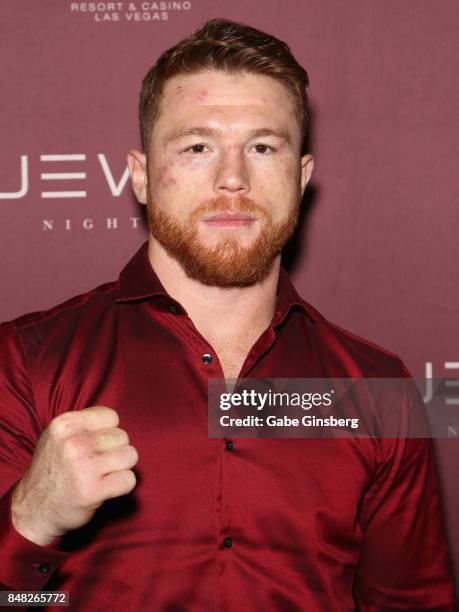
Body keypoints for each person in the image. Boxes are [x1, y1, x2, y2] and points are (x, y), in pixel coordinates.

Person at [0, 17, 454, 611]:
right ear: (139, 176)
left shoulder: (379, 387)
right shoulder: (25, 360)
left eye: (263, 147)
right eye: (197, 147)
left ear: (302, 176)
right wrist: (31, 519)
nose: (232, 179)